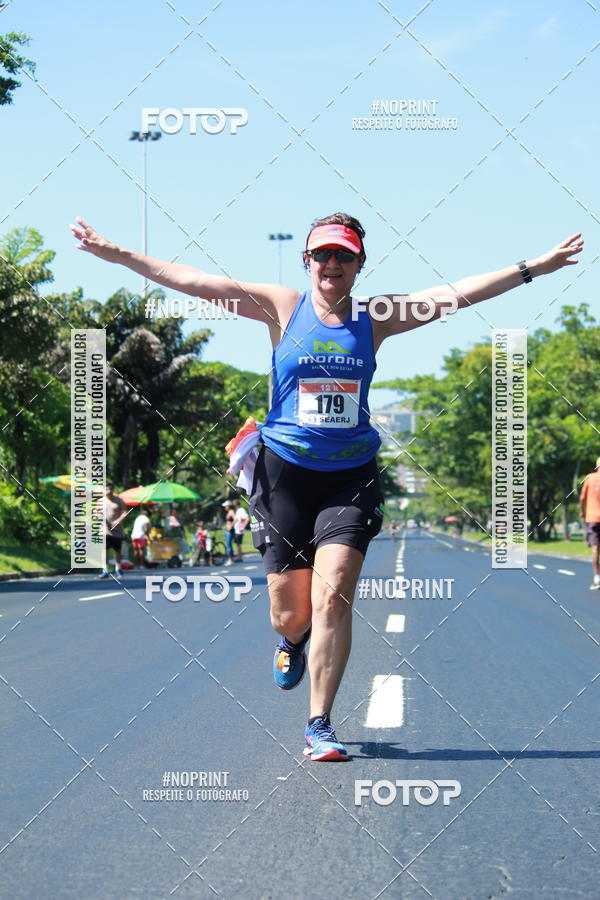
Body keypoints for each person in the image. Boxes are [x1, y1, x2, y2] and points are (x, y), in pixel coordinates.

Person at [70, 213, 583, 760]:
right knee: (290, 612)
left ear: (359, 265)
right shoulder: (281, 306)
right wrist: (120, 255)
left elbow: (454, 294)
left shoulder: (375, 317)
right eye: (322, 255)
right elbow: (193, 281)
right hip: (284, 472)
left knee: (335, 590)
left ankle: (320, 723)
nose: (332, 264)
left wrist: (536, 267)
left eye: (344, 255)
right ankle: (291, 642)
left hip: (350, 473)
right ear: (307, 262)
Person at [98, 482, 128, 580]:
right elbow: (96, 513)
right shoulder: (100, 501)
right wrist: (99, 516)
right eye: (106, 489)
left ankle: (118, 569)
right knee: (104, 549)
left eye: (110, 489)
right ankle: (105, 570)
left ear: (113, 490)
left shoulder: (118, 500)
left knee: (117, 550)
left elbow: (124, 512)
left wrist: (118, 521)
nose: (108, 491)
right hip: (104, 530)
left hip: (117, 530)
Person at [580, 457, 600, 590]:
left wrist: (582, 511)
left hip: (592, 517)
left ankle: (597, 578)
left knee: (595, 548)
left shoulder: (589, 478)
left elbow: (582, 498)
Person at [223, 501, 236, 566]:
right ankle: (230, 559)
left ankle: (230, 559)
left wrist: (231, 526)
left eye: (225, 506)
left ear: (228, 506)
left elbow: (235, 519)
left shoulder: (231, 511)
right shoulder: (228, 512)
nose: (225, 507)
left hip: (230, 531)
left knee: (228, 545)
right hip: (227, 530)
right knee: (228, 545)